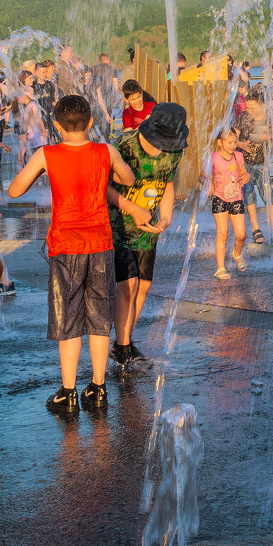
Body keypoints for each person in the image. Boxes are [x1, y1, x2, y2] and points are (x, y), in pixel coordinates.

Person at [8, 95, 136, 413]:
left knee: (69, 321)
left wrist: (43, 171)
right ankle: (99, 386)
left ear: (56, 125)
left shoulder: (46, 154)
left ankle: (68, 392)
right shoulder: (105, 151)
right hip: (101, 245)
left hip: (65, 246)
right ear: (90, 122)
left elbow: (14, 190)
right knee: (98, 320)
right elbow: (128, 179)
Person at [109, 103, 185, 369]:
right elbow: (102, 187)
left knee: (144, 286)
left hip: (148, 228)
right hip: (117, 224)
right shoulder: (125, 146)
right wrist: (132, 208)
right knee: (126, 286)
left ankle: (125, 341)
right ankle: (121, 347)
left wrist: (166, 217)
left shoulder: (174, 151)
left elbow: (167, 184)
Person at [235, 90, 273, 243]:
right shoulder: (243, 117)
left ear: (262, 106)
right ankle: (256, 229)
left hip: (262, 162)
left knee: (268, 193)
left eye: (253, 107)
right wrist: (240, 144)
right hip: (244, 162)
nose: (249, 111)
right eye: (247, 107)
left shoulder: (270, 117)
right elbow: (232, 138)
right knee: (249, 192)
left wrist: (267, 137)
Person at [205, 128, 250, 280]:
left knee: (241, 234)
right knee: (222, 233)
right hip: (220, 199)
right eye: (229, 142)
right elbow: (202, 176)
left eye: (235, 142)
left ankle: (237, 253)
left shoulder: (238, 156)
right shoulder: (214, 158)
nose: (232, 145)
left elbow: (243, 172)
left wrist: (246, 175)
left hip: (236, 199)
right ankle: (220, 268)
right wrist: (207, 183)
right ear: (220, 142)